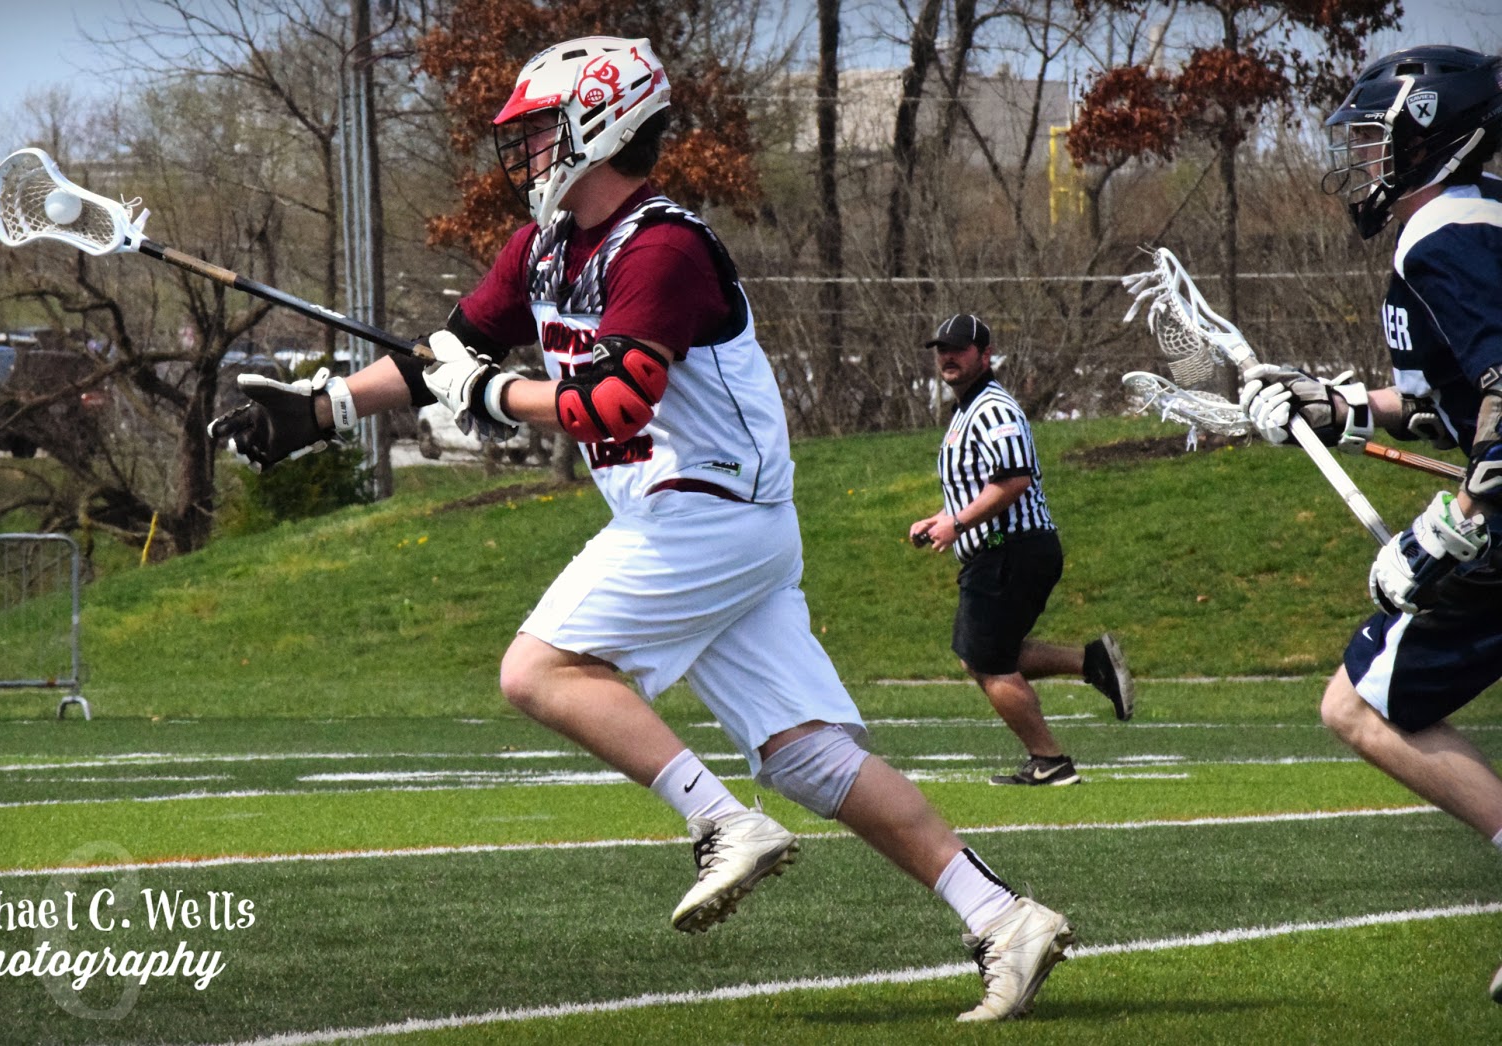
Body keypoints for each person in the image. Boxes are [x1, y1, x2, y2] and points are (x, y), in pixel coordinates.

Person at [209, 36, 1073, 1021]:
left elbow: (613, 403)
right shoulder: (545, 244)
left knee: (537, 670)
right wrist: (320, 410)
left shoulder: (661, 247)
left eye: (541, 131)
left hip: (709, 507)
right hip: (721, 522)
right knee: (806, 754)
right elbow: (439, 352)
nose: (524, 152)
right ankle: (1002, 915)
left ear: (600, 125)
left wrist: (489, 393)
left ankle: (722, 823)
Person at [1236, 45, 1502, 1001]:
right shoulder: (1473, 217)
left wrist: (1450, 528)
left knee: (1359, 703)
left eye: (1372, 140)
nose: (1358, 162)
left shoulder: (1440, 237)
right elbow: (1447, 402)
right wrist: (1341, 406)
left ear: (1429, 134)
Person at [909, 314, 1135, 787]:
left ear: (985, 354)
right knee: (981, 655)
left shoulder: (994, 409)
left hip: (1010, 549)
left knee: (988, 662)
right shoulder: (966, 410)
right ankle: (1090, 662)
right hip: (999, 549)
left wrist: (958, 523)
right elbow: (980, 484)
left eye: (959, 349)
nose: (948, 357)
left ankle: (1049, 760)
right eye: (941, 349)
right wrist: (940, 517)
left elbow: (1014, 480)